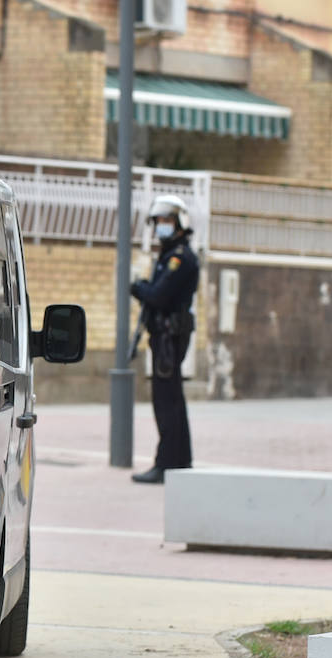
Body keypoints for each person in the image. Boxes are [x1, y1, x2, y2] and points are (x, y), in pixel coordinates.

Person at [129, 194, 198, 484]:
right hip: (166, 335)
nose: (161, 227)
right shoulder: (171, 254)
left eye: (167, 221)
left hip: (170, 337)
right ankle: (180, 461)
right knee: (173, 399)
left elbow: (158, 295)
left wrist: (138, 288)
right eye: (158, 221)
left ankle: (167, 464)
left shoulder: (179, 258)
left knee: (166, 402)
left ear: (180, 223)